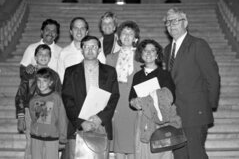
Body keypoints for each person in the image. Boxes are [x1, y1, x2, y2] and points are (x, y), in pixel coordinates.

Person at [163, 7, 220, 159]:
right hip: (174, 115)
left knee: (196, 154)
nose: (171, 24)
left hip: (195, 112)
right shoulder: (167, 50)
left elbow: (212, 77)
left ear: (185, 23)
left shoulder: (198, 45)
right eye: (168, 22)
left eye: (175, 20)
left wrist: (208, 105)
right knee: (180, 155)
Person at [62, 35, 120, 159]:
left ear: (99, 50)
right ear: (81, 50)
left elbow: (114, 97)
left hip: (101, 125)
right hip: (78, 126)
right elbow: (67, 99)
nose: (89, 50)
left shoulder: (110, 72)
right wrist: (81, 122)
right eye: (86, 47)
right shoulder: (70, 72)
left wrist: (101, 118)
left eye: (93, 46)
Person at [129, 39, 176, 159]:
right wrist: (134, 102)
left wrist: (151, 99)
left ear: (157, 55)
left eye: (152, 51)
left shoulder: (164, 74)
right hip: (142, 119)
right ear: (141, 54)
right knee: (142, 153)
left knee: (160, 153)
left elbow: (171, 97)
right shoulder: (137, 76)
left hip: (160, 119)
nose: (148, 53)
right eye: (145, 50)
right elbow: (131, 98)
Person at [15, 44, 62, 159]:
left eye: (47, 54)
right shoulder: (29, 73)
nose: (43, 57)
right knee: (32, 143)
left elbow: (59, 97)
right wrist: (21, 116)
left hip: (47, 110)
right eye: (40, 54)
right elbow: (21, 94)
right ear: (35, 57)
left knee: (46, 143)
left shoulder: (54, 75)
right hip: (30, 111)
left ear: (50, 58)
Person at [106, 20, 141, 159]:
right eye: (123, 33)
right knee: (118, 143)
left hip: (133, 103)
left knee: (133, 142)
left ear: (135, 39)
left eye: (130, 33)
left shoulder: (141, 58)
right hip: (116, 103)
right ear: (118, 37)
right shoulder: (110, 58)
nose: (126, 36)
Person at [29, 67, 67, 159]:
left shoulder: (56, 98)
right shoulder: (34, 100)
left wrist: (62, 139)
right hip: (36, 138)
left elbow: (62, 119)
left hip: (52, 139)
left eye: (44, 81)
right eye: (39, 81)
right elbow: (33, 118)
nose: (41, 84)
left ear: (50, 82)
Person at [57, 17, 106, 82]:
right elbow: (61, 78)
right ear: (71, 31)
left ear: (87, 32)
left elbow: (104, 75)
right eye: (76, 28)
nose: (79, 31)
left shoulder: (97, 51)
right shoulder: (63, 53)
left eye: (82, 28)